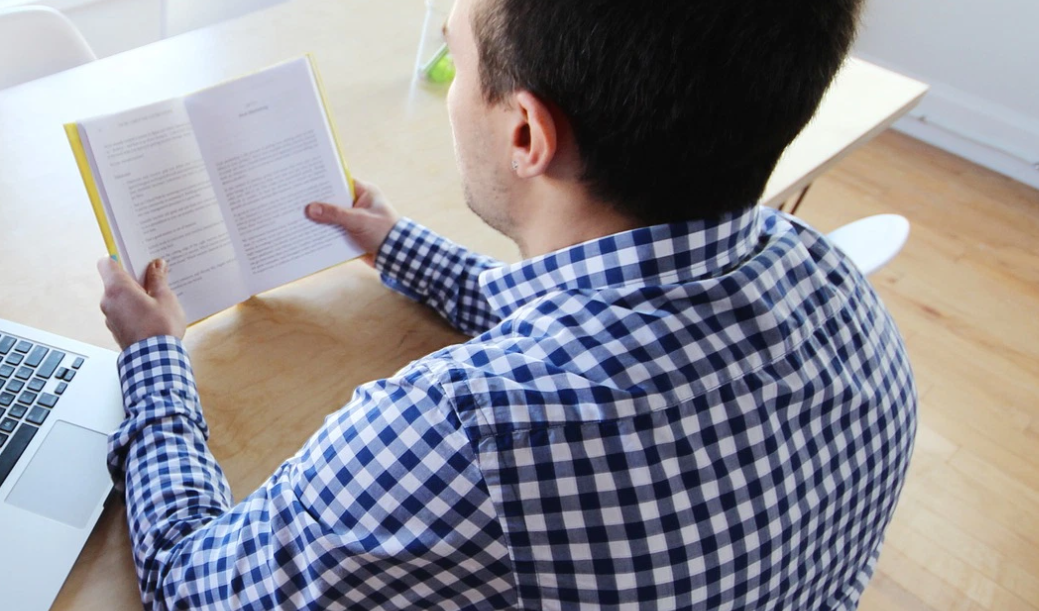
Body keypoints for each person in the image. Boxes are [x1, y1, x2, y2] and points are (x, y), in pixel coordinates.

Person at [93, 0, 916, 607]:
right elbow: (596, 313)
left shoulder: (463, 433)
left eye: (454, 54)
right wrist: (397, 244)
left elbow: (194, 586)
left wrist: (155, 359)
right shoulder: (838, 289)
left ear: (526, 134)